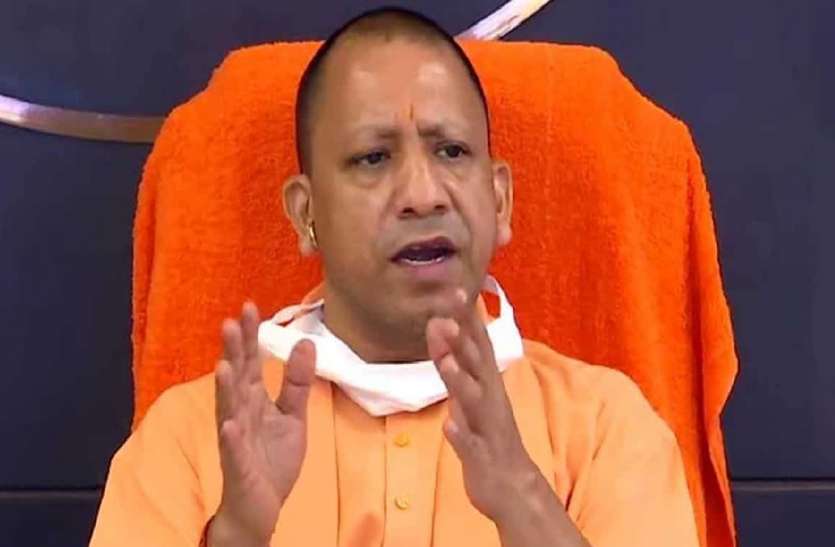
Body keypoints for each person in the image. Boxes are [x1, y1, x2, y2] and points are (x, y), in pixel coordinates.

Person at [90, 7, 699, 547]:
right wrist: (238, 536)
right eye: (374, 158)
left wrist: (523, 497)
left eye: (451, 151)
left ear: (500, 202)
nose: (422, 194)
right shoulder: (195, 437)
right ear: (306, 214)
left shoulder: (607, 426)